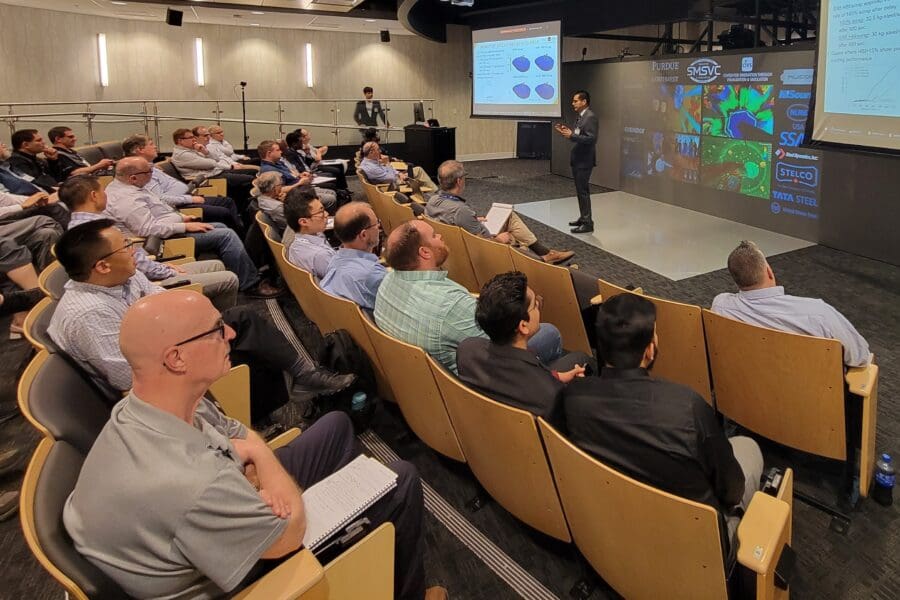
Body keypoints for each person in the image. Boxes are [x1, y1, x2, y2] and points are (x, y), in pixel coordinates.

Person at [63, 289, 445, 600]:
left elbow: (237, 434)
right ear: (176, 358)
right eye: (216, 329)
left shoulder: (146, 405)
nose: (230, 334)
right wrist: (259, 465)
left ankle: (361, 557)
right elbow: (287, 535)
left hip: (220, 510)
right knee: (402, 479)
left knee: (336, 424)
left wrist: (254, 463)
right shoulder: (190, 482)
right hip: (246, 578)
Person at [47, 219, 353, 412]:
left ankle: (301, 377)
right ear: (101, 266)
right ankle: (290, 388)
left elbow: (160, 298)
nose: (134, 251)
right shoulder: (87, 314)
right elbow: (128, 375)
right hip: (153, 382)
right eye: (125, 247)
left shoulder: (122, 277)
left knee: (243, 322)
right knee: (241, 340)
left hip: (165, 344)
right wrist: (191, 344)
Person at [563, 293, 763, 543]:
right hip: (694, 544)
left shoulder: (573, 396)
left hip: (613, 525)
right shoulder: (688, 406)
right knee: (748, 447)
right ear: (649, 350)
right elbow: (732, 491)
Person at [374, 219, 563, 374]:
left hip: (422, 379)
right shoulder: (452, 304)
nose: (440, 236)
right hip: (478, 382)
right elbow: (503, 341)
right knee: (549, 332)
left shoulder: (387, 281)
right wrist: (532, 308)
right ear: (424, 252)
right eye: (434, 236)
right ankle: (540, 381)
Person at [104, 156, 281, 298]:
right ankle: (250, 283)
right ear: (133, 177)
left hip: (171, 228)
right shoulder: (126, 199)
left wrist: (182, 218)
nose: (152, 173)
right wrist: (184, 226)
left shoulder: (134, 187)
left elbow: (161, 209)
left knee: (219, 225)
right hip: (160, 243)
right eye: (148, 171)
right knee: (225, 235)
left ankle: (247, 267)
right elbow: (147, 229)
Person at [59, 175, 239, 311]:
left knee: (215, 264)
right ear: (93, 196)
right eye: (103, 191)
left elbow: (131, 257)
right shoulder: (93, 231)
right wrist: (166, 270)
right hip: (146, 286)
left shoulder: (82, 226)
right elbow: (133, 262)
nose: (107, 195)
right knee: (228, 279)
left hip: (145, 276)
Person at [457, 272, 591, 425]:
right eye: (535, 305)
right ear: (523, 326)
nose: (539, 306)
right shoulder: (551, 395)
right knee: (581, 358)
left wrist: (556, 376)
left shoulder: (467, 350)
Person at [712, 240, 870, 367]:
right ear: (769, 271)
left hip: (743, 394)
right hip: (809, 400)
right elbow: (860, 356)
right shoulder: (818, 314)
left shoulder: (720, 306)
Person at [427, 160, 574, 265]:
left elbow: (450, 221)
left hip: (460, 243)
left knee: (508, 216)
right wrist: (499, 239)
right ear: (459, 181)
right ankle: (542, 260)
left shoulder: (432, 200)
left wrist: (474, 221)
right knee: (510, 234)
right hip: (482, 251)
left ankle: (545, 253)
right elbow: (485, 243)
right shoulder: (461, 210)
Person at [122, 134, 245, 235]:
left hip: (184, 197)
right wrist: (189, 198)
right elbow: (162, 199)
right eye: (151, 144)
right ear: (139, 149)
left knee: (227, 201)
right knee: (222, 212)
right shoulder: (141, 173)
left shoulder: (151, 166)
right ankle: (240, 236)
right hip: (178, 205)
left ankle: (242, 233)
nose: (155, 146)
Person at [319, 202, 386, 311]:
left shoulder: (335, 259)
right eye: (376, 224)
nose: (379, 227)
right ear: (364, 235)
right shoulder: (373, 274)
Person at [170, 128, 255, 211]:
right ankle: (246, 210)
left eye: (193, 137)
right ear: (180, 141)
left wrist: (205, 151)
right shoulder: (182, 154)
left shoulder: (192, 150)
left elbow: (216, 159)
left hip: (215, 173)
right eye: (190, 137)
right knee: (250, 180)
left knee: (250, 175)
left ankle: (242, 209)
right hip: (208, 179)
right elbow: (211, 164)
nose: (193, 139)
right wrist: (210, 159)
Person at [554, 91, 598, 234]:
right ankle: (583, 218)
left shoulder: (590, 117)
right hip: (578, 158)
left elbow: (591, 139)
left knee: (583, 191)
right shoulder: (581, 117)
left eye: (575, 101)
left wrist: (572, 135)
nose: (573, 103)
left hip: (585, 160)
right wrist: (568, 133)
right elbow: (579, 135)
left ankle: (588, 223)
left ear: (584, 102)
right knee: (580, 191)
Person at [258, 140, 338, 212]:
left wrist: (300, 175)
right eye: (278, 150)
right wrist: (299, 183)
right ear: (269, 153)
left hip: (300, 188)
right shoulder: (268, 170)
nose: (281, 152)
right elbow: (279, 190)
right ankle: (322, 222)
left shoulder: (277, 163)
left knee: (332, 192)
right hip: (293, 195)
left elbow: (290, 174)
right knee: (330, 199)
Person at [284, 185, 335, 280]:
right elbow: (341, 280)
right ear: (304, 222)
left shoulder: (298, 242)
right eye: (321, 212)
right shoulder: (320, 255)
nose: (327, 214)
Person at [358, 141, 437, 192]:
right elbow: (391, 178)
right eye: (378, 149)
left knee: (418, 170)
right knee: (418, 175)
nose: (380, 151)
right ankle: (434, 193)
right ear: (371, 152)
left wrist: (399, 173)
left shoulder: (371, 161)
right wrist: (387, 163)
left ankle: (432, 191)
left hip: (396, 178)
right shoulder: (371, 168)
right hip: (393, 185)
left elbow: (387, 171)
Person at [46, 126, 115, 180]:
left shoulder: (71, 152)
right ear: (58, 139)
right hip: (83, 183)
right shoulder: (58, 155)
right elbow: (74, 173)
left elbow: (85, 167)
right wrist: (99, 165)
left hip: (92, 177)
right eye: (70, 137)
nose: (75, 139)